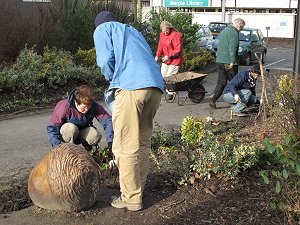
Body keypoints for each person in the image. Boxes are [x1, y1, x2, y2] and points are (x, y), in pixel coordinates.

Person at [93, 11, 164, 211]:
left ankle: (131, 198)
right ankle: (138, 190)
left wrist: (112, 78)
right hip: (155, 86)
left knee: (125, 145)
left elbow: (105, 60)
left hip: (131, 86)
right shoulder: (133, 31)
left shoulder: (103, 29)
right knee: (142, 141)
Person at [46, 84, 114, 158]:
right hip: (67, 133)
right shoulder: (63, 106)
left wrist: (110, 141)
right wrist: (58, 148)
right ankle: (70, 154)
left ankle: (90, 152)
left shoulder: (94, 106)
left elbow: (107, 121)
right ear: (76, 102)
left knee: (94, 135)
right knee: (70, 128)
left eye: (89, 107)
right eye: (84, 107)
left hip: (82, 132)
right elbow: (52, 128)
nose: (87, 109)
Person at [208, 18, 246, 109]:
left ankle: (214, 97)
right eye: (242, 28)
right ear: (239, 25)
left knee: (222, 81)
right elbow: (232, 48)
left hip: (220, 60)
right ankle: (237, 101)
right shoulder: (234, 33)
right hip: (229, 62)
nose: (241, 30)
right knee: (235, 82)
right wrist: (232, 62)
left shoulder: (225, 30)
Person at [155, 21, 183, 98]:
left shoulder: (175, 35)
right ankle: (169, 90)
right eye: (163, 31)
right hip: (166, 59)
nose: (165, 32)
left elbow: (178, 50)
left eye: (167, 30)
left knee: (170, 76)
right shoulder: (162, 35)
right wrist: (157, 56)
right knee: (163, 75)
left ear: (169, 28)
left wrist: (169, 56)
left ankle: (171, 93)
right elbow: (160, 46)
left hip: (175, 59)